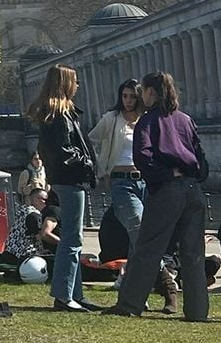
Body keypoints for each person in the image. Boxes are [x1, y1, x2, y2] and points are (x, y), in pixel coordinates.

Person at [104, 71, 208, 322]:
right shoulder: (185, 120)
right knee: (193, 252)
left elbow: (144, 157)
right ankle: (197, 310)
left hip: (167, 190)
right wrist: (194, 174)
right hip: (193, 188)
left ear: (151, 92)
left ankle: (130, 303)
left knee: (148, 248)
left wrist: (163, 176)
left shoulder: (148, 122)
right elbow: (201, 157)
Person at [29, 63, 100, 313]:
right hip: (70, 179)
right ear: (66, 84)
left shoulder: (59, 114)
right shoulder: (59, 116)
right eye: (75, 81)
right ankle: (63, 294)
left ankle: (74, 293)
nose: (78, 85)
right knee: (72, 238)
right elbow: (62, 151)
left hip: (67, 178)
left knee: (74, 238)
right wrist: (87, 163)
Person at [88, 79, 145, 274]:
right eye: (124, 96)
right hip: (120, 179)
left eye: (132, 97)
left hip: (145, 180)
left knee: (140, 229)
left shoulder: (145, 119)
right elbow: (90, 140)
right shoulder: (111, 119)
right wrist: (101, 167)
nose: (128, 101)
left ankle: (128, 276)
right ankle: (159, 274)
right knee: (137, 225)